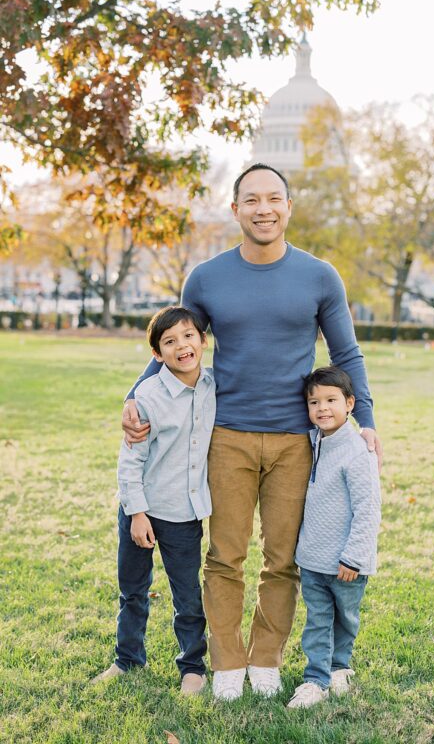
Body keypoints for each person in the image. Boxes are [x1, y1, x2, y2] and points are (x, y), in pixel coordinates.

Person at [121, 163, 382, 701]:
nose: (264, 209)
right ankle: (227, 664)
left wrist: (368, 419)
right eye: (252, 200)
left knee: (283, 559)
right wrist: (135, 395)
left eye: (274, 199)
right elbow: (177, 342)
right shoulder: (207, 277)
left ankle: (266, 660)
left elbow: (345, 353)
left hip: (294, 442)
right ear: (235, 207)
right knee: (225, 556)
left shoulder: (320, 276)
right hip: (227, 437)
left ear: (289, 207)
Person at [93, 306, 215, 696]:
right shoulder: (146, 397)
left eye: (188, 336)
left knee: (188, 595)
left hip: (184, 513)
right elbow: (130, 460)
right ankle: (127, 659)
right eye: (169, 341)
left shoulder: (216, 387)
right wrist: (137, 514)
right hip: (141, 511)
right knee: (133, 590)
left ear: (203, 341)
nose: (182, 345)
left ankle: (193, 667)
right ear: (158, 355)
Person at [286, 366, 381, 709]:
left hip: (347, 562)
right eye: (314, 402)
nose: (322, 408)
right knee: (318, 620)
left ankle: (340, 667)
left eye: (331, 400)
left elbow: (368, 509)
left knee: (345, 618)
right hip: (312, 557)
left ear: (350, 403)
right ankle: (315, 679)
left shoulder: (358, 452)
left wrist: (353, 556)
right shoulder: (312, 442)